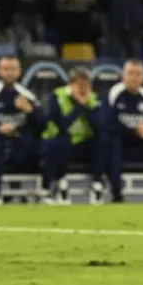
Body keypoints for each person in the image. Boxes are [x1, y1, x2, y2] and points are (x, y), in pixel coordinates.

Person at [0, 56, 43, 205]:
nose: (9, 73)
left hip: (23, 138)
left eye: (13, 69)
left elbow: (42, 124)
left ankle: (43, 191)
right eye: (6, 69)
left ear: (19, 72)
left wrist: (30, 110)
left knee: (42, 145)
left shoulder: (27, 95)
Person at [42, 66, 106, 205]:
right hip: (57, 142)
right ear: (70, 85)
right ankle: (56, 183)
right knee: (61, 141)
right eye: (79, 85)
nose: (83, 89)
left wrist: (86, 106)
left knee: (102, 140)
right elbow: (63, 126)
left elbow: (99, 126)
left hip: (83, 144)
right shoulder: (56, 96)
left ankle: (97, 183)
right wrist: (79, 106)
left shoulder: (94, 99)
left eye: (86, 85)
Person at [102, 60, 143, 202]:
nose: (134, 77)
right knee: (111, 142)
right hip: (121, 143)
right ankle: (117, 193)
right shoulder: (113, 94)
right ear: (123, 75)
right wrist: (133, 131)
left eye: (138, 74)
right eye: (130, 73)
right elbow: (107, 124)